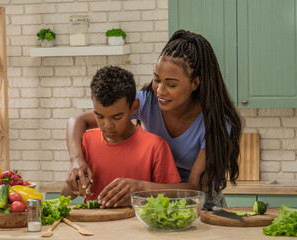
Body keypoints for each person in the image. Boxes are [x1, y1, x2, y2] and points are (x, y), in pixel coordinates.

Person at [66, 29, 242, 208]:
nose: (160, 90)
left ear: (195, 83)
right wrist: (76, 160)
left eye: (171, 84)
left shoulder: (215, 121)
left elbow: (194, 188)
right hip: (156, 197)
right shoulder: (148, 101)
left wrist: (140, 187)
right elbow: (77, 121)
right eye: (157, 79)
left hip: (199, 203)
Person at [61, 65, 181, 202]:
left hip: (138, 223)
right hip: (93, 223)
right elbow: (65, 195)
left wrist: (140, 195)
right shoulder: (87, 140)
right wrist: (73, 183)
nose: (107, 126)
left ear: (134, 107)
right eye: (99, 116)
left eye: (117, 117)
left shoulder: (155, 147)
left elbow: (171, 198)